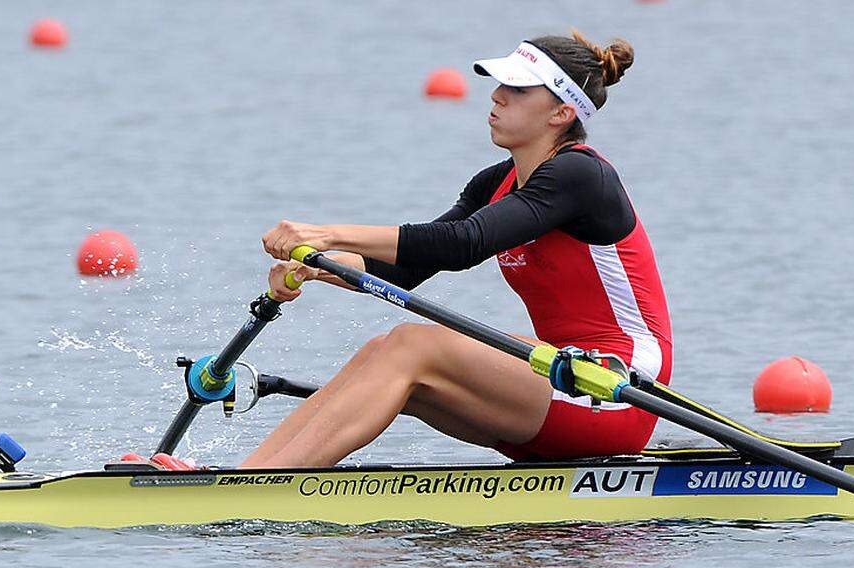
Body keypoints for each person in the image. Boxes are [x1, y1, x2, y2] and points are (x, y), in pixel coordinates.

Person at [239, 30, 672, 468]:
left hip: (617, 389)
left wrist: (327, 234)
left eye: (518, 89)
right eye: (500, 85)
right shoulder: (494, 183)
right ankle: (245, 476)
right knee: (380, 349)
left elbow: (463, 244)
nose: (497, 97)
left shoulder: (580, 176)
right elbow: (404, 268)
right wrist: (319, 266)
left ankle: (262, 486)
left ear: (561, 112)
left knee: (412, 345)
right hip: (556, 381)